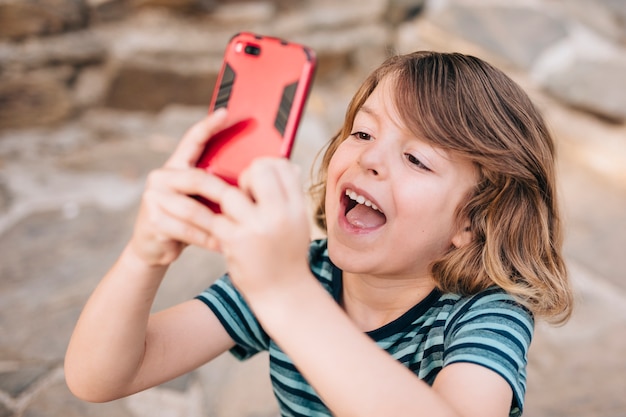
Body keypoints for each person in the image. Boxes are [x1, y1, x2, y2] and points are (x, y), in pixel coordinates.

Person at [65, 51, 573, 417]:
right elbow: (100, 377)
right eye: (363, 132)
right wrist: (144, 255)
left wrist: (285, 293)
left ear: (474, 222)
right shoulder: (305, 274)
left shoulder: (486, 315)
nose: (369, 159)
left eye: (416, 159)